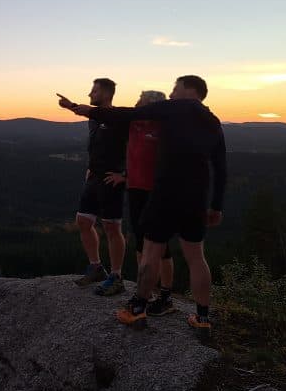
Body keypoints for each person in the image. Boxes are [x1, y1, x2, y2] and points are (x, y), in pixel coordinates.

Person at [60, 75, 226, 333]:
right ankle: (203, 318)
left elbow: (127, 114)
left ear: (189, 89)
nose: (172, 94)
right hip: (197, 197)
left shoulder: (171, 109)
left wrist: (83, 109)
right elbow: (220, 167)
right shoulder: (213, 122)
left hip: (165, 193)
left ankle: (137, 309)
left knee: (150, 251)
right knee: (196, 257)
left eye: (175, 88)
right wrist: (216, 206)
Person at [108, 90, 177, 316]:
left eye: (140, 102)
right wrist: (125, 175)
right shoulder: (134, 124)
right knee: (140, 242)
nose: (136, 105)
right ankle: (145, 291)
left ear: (151, 106)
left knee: (161, 246)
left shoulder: (165, 128)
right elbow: (110, 115)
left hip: (158, 192)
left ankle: (165, 295)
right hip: (135, 189)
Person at [59, 78, 128, 296]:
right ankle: (96, 267)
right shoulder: (95, 118)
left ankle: (116, 277)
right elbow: (85, 113)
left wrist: (124, 175)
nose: (90, 95)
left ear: (106, 94)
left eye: (94, 91)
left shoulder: (119, 118)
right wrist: (70, 106)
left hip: (111, 179)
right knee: (83, 221)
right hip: (94, 177)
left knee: (111, 227)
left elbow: (137, 148)